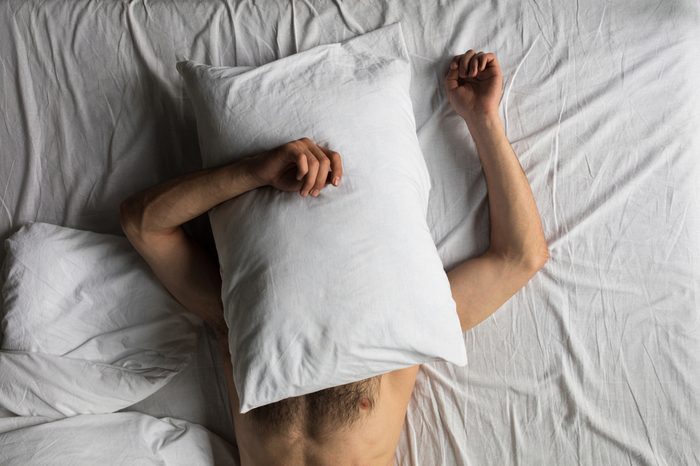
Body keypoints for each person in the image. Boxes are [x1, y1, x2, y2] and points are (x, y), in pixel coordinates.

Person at [120, 50, 549, 466]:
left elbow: (520, 256)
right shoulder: (244, 314)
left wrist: (483, 118)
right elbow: (142, 223)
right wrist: (252, 172)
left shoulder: (397, 323)